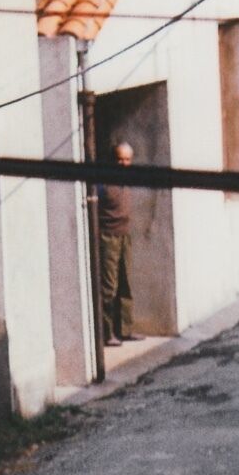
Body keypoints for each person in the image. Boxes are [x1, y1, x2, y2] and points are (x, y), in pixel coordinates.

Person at [98, 141, 142, 347]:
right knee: (109, 287)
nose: (124, 164)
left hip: (125, 235)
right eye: (120, 159)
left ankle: (125, 329)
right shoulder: (103, 183)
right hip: (108, 237)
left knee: (126, 284)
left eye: (127, 160)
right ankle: (107, 333)